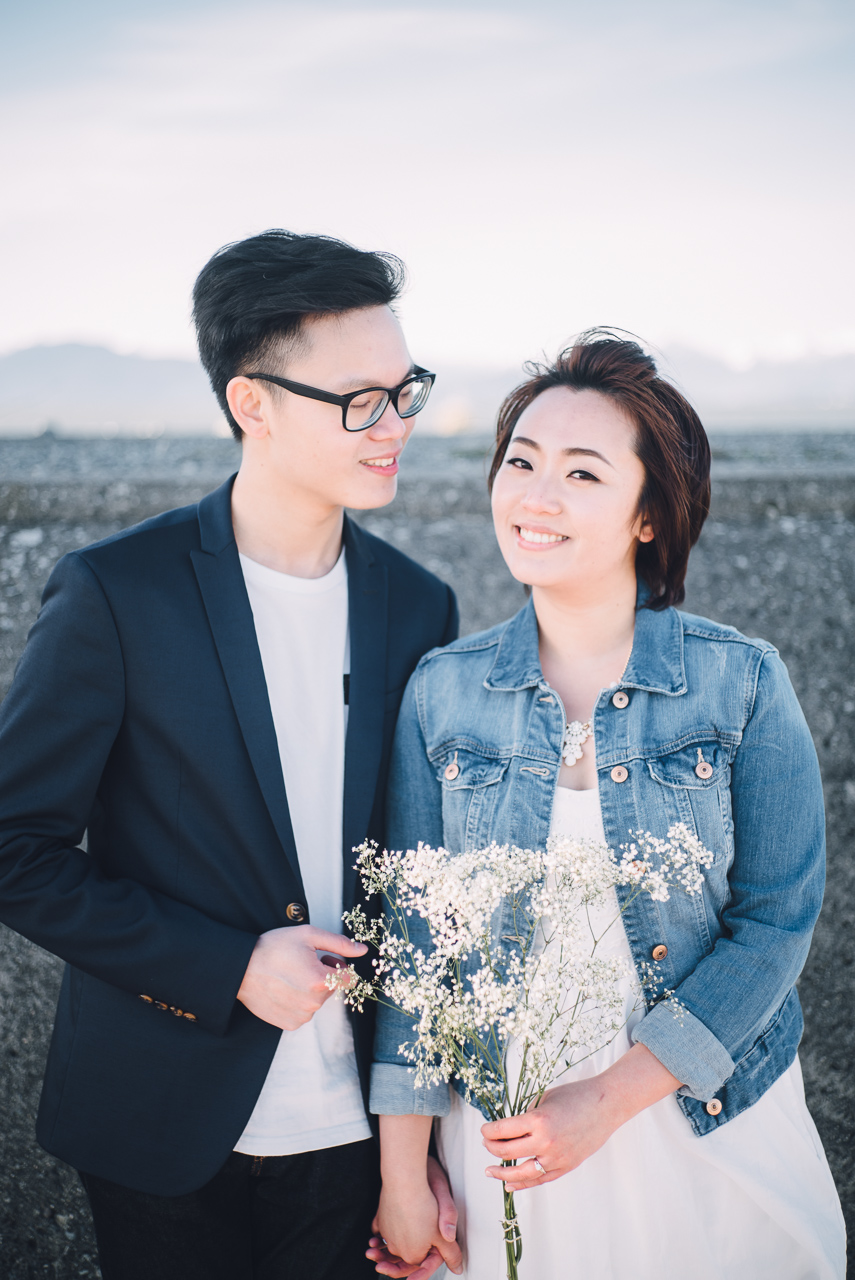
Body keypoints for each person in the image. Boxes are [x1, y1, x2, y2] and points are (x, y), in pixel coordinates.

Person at [0, 229, 464, 1280]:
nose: (393, 427)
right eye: (359, 400)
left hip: (358, 1131)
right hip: (159, 1122)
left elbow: (431, 885)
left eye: (406, 391)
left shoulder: (417, 606)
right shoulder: (119, 590)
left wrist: (420, 1141)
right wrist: (227, 967)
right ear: (252, 402)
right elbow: (14, 845)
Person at [368, 332, 846, 1279]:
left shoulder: (740, 682)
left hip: (704, 1119)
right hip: (507, 1135)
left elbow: (775, 924)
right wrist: (401, 1176)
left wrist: (609, 1099)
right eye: (520, 462)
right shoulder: (442, 693)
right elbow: (418, 947)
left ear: (646, 517)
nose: (535, 496)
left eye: (582, 474)